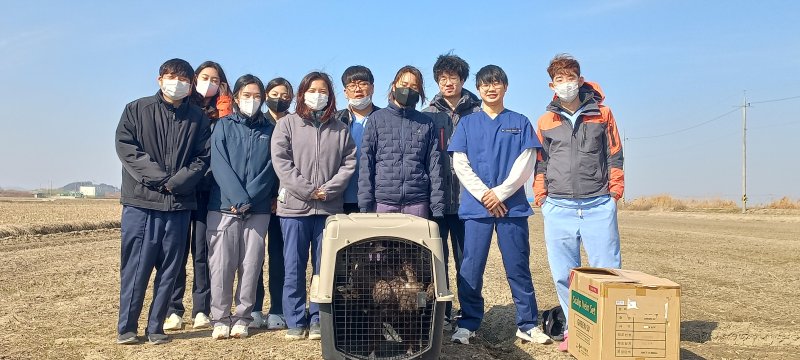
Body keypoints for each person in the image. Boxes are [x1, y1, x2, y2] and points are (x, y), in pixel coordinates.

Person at [448, 65, 551, 346]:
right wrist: (485, 195)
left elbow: (527, 160)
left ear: (505, 87)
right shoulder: (467, 123)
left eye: (496, 83)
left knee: (518, 265)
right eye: (485, 85)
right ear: (478, 89)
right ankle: (467, 323)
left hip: (511, 208)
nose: (491, 88)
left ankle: (527, 324)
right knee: (471, 267)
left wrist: (501, 194)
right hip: (476, 208)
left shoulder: (520, 121)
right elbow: (460, 162)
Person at [114, 58, 211, 345]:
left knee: (171, 269)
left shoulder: (198, 118)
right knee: (135, 268)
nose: (177, 83)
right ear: (159, 80)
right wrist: (159, 179)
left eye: (183, 79)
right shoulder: (136, 109)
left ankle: (156, 326)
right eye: (171, 77)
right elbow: (127, 148)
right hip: (141, 203)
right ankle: (127, 327)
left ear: (190, 84)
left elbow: (202, 158)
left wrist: (177, 182)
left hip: (179, 206)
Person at [533, 54, 624, 352]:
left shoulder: (603, 113)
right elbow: (540, 163)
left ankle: (607, 330)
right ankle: (575, 329)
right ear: (551, 85)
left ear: (580, 80)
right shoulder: (546, 120)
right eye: (559, 80)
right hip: (558, 207)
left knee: (607, 272)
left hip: (598, 204)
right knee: (563, 274)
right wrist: (542, 198)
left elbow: (615, 155)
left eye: (570, 78)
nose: (565, 84)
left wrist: (613, 195)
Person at [271, 71, 356, 341]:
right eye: (312, 90)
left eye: (323, 91)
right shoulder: (287, 124)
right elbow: (282, 162)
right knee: (293, 266)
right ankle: (295, 319)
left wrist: (328, 190)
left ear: (330, 96)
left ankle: (319, 318)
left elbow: (349, 162)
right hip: (295, 208)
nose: (317, 95)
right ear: (302, 93)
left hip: (329, 209)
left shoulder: (340, 128)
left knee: (324, 267)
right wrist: (308, 190)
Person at [206, 74, 278, 340]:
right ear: (236, 98)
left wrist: (250, 199)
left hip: (257, 210)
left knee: (251, 265)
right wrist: (238, 198)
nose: (252, 100)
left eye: (257, 96)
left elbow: (272, 168)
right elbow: (219, 164)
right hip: (223, 206)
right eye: (246, 95)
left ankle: (243, 317)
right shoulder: (223, 126)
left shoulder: (270, 129)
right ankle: (220, 317)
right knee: (222, 265)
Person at [164, 60, 233, 332]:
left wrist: (226, 103)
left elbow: (229, 140)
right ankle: (173, 308)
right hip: (183, 189)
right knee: (177, 251)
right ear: (194, 79)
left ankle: (202, 308)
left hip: (210, 191)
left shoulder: (224, 111)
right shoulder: (186, 108)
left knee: (202, 251)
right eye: (205, 77)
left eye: (215, 80)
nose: (209, 83)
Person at [422, 53, 482, 327]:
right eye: (443, 78)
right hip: (435, 199)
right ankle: (441, 313)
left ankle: (469, 316)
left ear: (462, 80)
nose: (448, 83)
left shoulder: (478, 112)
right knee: (436, 260)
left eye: (453, 78)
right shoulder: (426, 115)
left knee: (467, 262)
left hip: (468, 201)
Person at [358, 65, 444, 218]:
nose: (408, 90)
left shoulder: (426, 123)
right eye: (404, 85)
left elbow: (434, 166)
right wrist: (365, 204)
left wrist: (437, 206)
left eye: (414, 87)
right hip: (383, 202)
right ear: (394, 86)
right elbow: (366, 163)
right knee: (383, 243)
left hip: (417, 202)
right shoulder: (377, 119)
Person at [250, 77, 294, 330]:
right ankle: (254, 307)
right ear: (266, 95)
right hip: (257, 201)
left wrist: (280, 195)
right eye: (275, 93)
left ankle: (278, 307)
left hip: (284, 202)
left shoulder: (293, 123)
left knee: (279, 257)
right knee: (253, 257)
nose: (280, 98)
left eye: (285, 94)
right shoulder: (257, 122)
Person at [334, 66, 381, 214]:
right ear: (345, 92)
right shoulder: (335, 120)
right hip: (340, 197)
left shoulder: (385, 118)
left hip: (375, 197)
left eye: (362, 84)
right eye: (352, 85)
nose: (357, 89)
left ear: (372, 88)